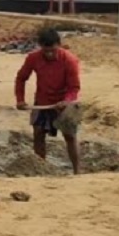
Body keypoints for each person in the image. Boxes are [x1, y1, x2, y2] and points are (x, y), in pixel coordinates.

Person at [15, 28, 82, 174]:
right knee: (38, 134)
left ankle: (77, 171)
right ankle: (41, 168)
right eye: (46, 51)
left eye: (52, 50)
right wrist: (20, 99)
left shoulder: (70, 60)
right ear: (41, 47)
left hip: (65, 101)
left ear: (59, 45)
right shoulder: (33, 58)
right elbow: (21, 78)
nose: (49, 54)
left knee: (70, 136)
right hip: (42, 101)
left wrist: (66, 101)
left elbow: (74, 87)